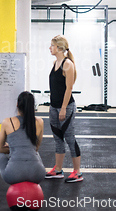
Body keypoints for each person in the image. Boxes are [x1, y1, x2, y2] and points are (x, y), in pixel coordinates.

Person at [0, 91, 45, 203]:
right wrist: (16, 147)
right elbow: (35, 148)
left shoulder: (8, 121)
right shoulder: (40, 122)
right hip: (38, 174)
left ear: (17, 104)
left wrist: (12, 148)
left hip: (13, 174)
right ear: (32, 106)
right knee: (34, 153)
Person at [45, 35, 83, 182]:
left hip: (65, 107)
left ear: (59, 48)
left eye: (52, 45)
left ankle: (77, 172)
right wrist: (53, 106)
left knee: (69, 137)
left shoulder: (67, 64)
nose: (50, 48)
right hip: (53, 106)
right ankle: (58, 170)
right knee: (57, 139)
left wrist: (63, 108)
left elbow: (69, 88)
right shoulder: (55, 62)